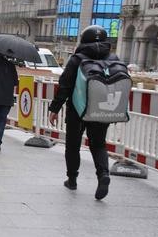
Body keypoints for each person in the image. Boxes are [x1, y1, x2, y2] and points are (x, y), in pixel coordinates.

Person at [48, 25, 117, 200]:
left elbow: (65, 85)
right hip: (102, 108)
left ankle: (72, 179)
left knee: (73, 145)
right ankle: (103, 175)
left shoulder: (77, 59)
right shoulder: (113, 58)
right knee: (99, 144)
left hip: (77, 110)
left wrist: (54, 109)